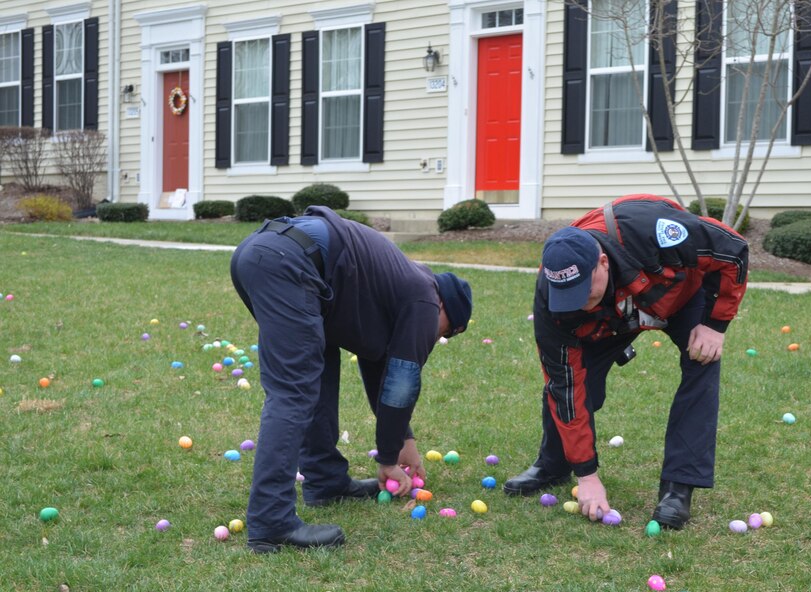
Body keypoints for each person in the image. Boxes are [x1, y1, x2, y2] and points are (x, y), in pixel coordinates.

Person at [230, 206, 472, 553]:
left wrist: (402, 438)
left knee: (319, 368)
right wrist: (389, 458)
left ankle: (326, 481)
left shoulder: (396, 289)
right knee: (293, 392)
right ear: (445, 310)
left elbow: (381, 369)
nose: (436, 340)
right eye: (445, 332)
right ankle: (271, 522)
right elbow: (401, 382)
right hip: (289, 262)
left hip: (264, 254)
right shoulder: (424, 297)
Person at [504, 194, 748, 530]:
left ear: (602, 262)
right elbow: (565, 385)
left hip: (680, 297)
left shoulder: (654, 231)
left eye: (585, 293)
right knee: (574, 387)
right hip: (612, 319)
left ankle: (678, 487)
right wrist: (586, 475)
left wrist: (716, 324)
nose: (582, 305)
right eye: (571, 297)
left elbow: (733, 248)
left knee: (702, 362)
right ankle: (554, 464)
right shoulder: (555, 301)